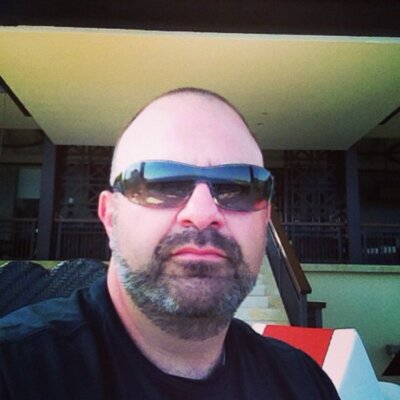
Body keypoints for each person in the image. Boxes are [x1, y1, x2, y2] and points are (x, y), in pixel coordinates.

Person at [0, 88, 340, 399]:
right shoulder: (16, 371)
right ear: (109, 217)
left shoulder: (303, 383)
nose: (202, 214)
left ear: (264, 221)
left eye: (238, 187)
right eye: (161, 183)